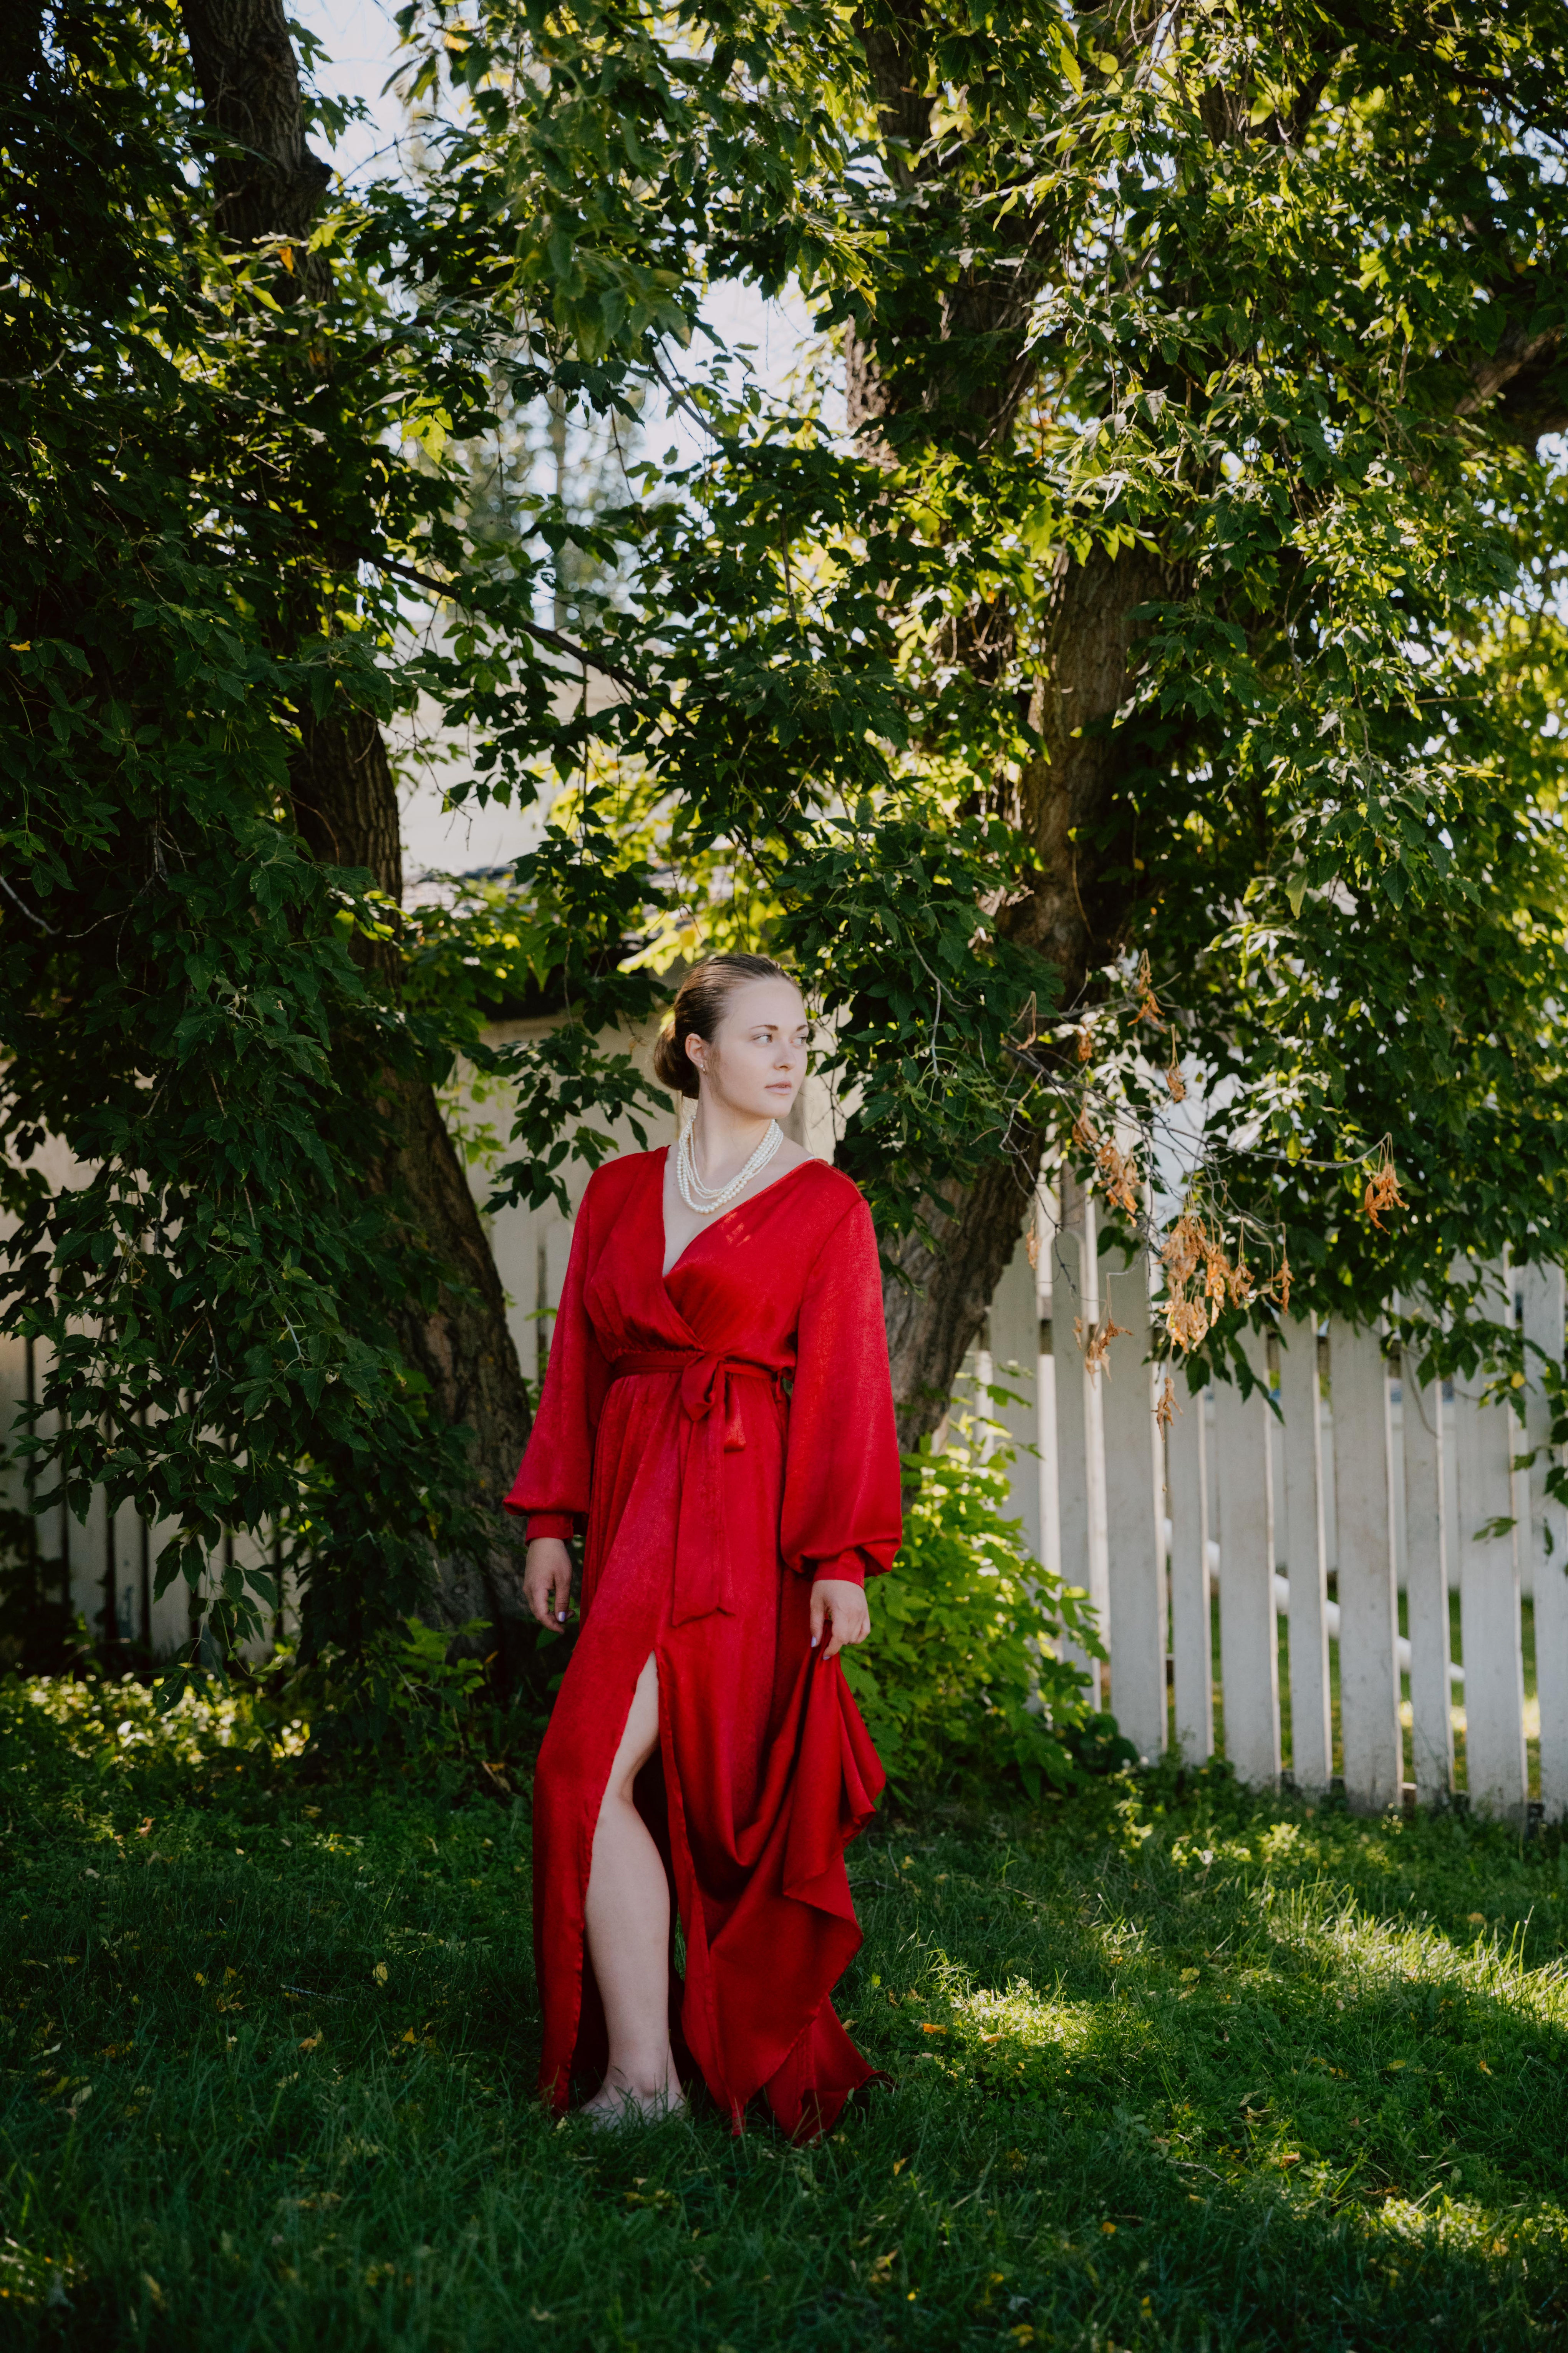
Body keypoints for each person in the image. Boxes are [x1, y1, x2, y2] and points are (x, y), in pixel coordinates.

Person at [507, 952, 903, 2137]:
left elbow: (846, 1394)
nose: (788, 1058)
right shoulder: (621, 1192)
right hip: (633, 1518)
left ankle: (682, 2061)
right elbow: (578, 1363)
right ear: (696, 1049)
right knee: (579, 1773)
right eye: (763, 1036)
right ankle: (642, 2076)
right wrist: (550, 1521)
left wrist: (840, 1560)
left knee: (725, 1810)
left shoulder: (825, 1204)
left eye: (797, 1037)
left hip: (747, 1532)